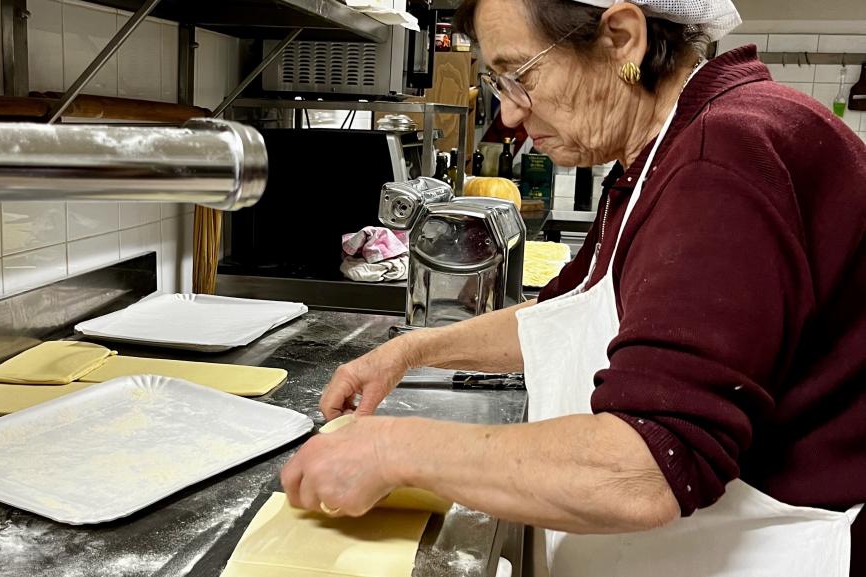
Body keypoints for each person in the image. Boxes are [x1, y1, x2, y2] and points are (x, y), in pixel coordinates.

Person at [280, 0, 866, 575]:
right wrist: (410, 351)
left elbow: (648, 466)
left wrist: (392, 451)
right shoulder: (661, 151)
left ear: (621, 38)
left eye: (518, 77)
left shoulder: (722, 157)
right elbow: (566, 312)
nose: (509, 115)